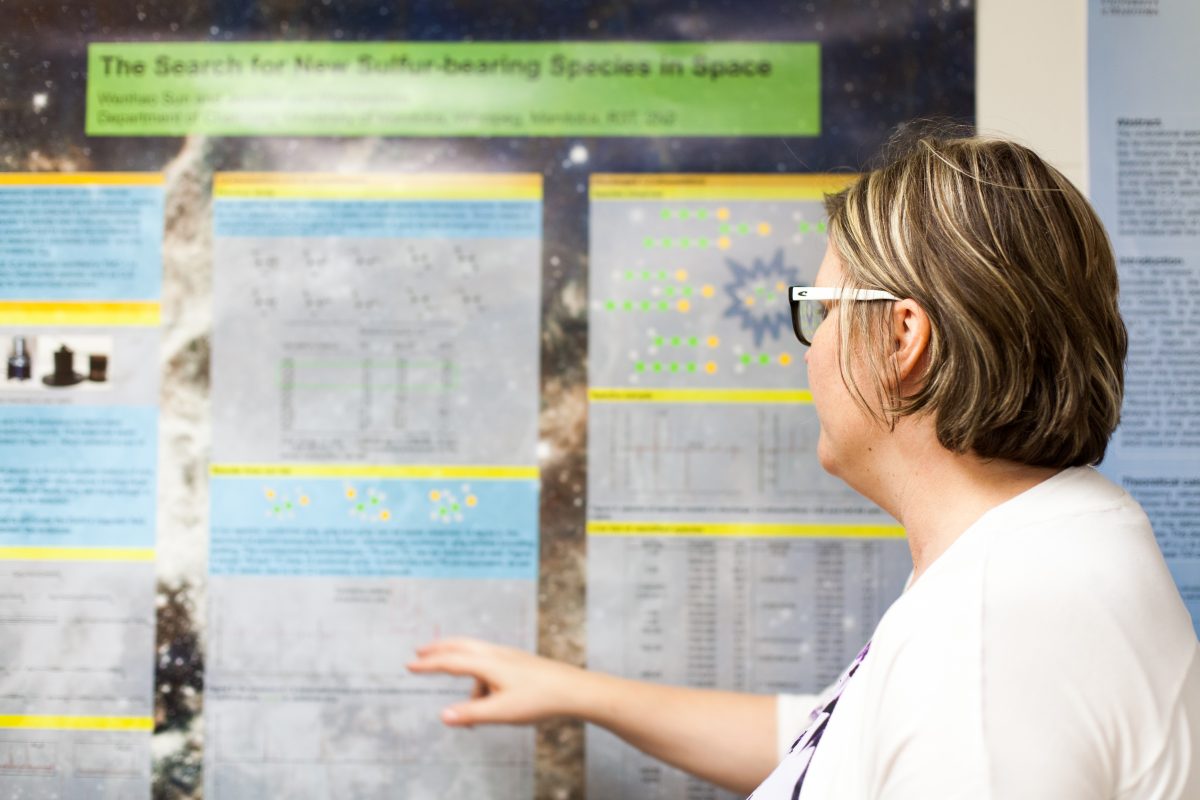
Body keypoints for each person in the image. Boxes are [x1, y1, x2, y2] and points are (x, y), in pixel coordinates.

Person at [409, 133, 1200, 798]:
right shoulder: (1035, 552)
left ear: (903, 339)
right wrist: (578, 692)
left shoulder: (991, 636)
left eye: (820, 312)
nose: (811, 349)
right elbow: (830, 740)